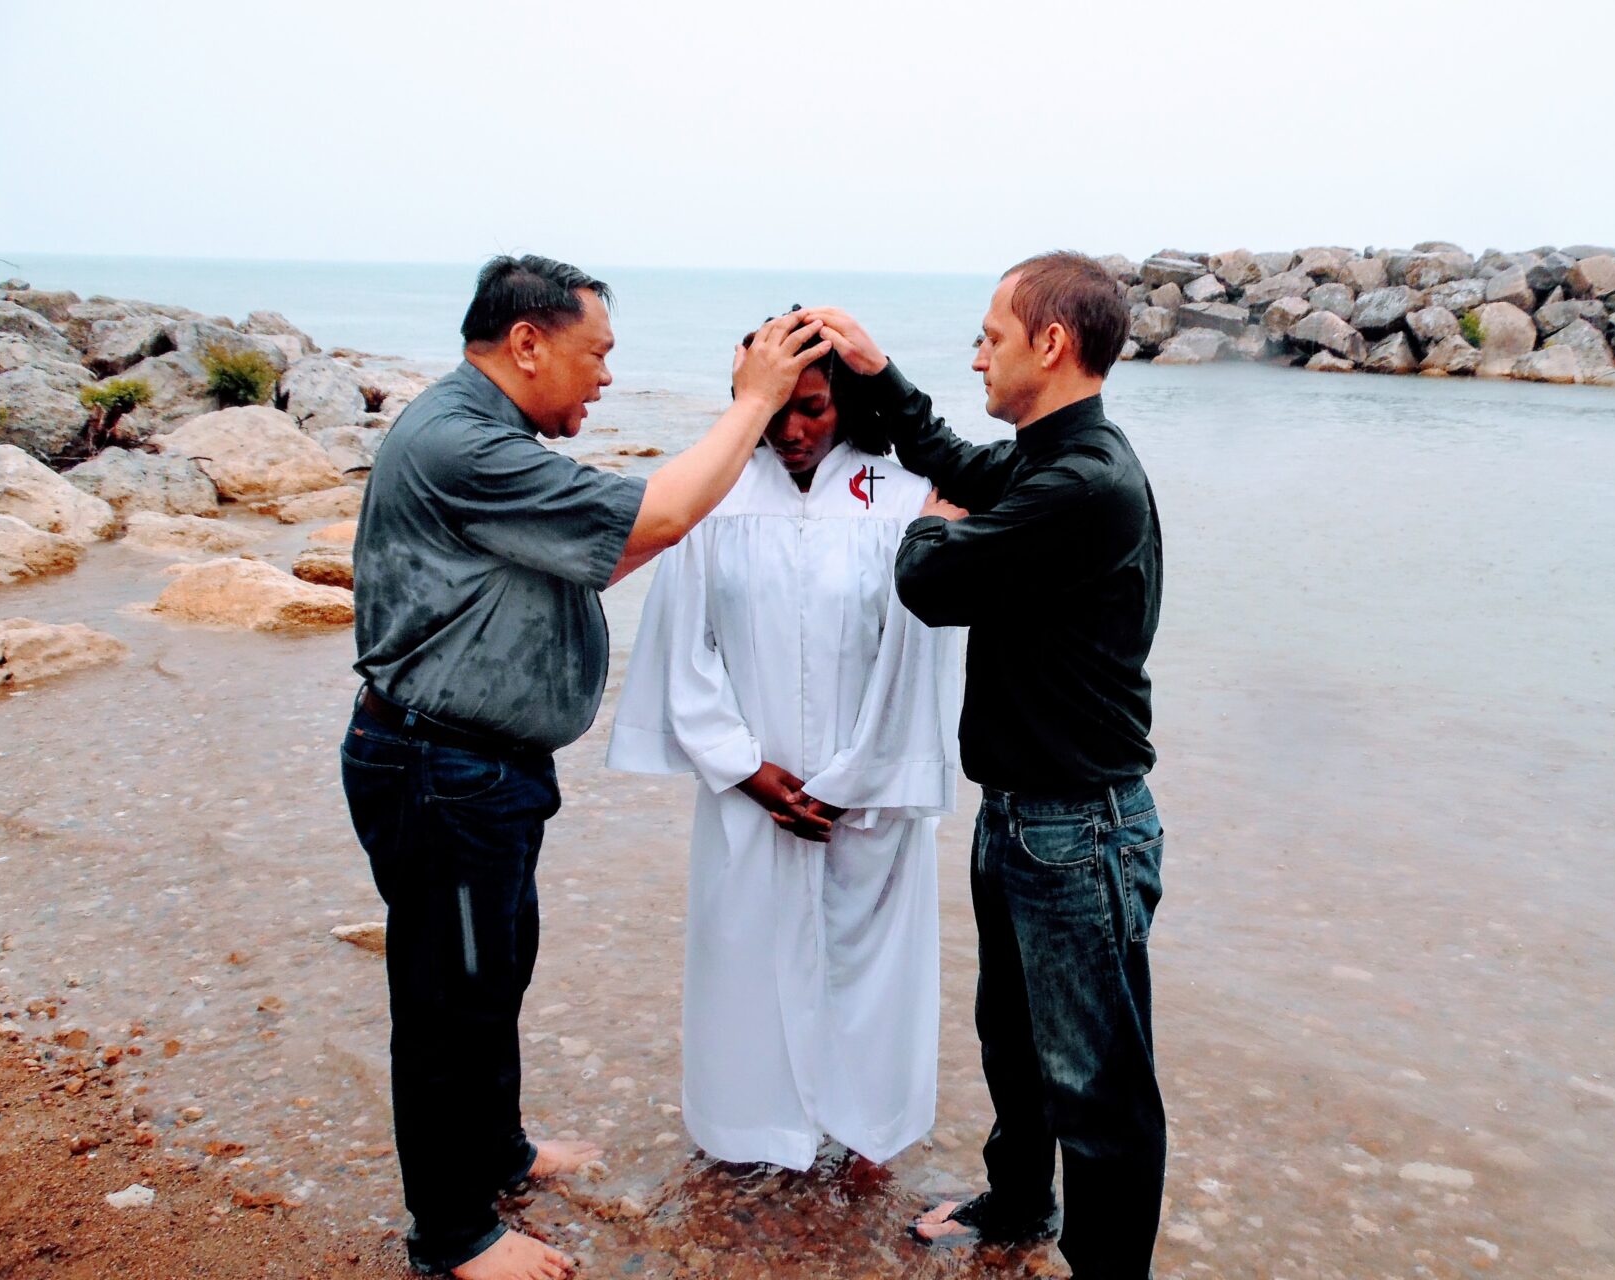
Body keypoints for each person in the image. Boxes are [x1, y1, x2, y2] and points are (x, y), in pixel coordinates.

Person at [341, 255, 827, 1280]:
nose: (606, 376)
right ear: (528, 342)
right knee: (444, 997)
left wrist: (684, 500)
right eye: (595, 352)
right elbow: (650, 516)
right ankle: (454, 1232)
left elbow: (610, 549)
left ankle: (497, 1153)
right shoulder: (462, 443)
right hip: (442, 765)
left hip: (479, 767)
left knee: (492, 972)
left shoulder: (486, 439)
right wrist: (752, 405)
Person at [802, 251, 1166, 1280]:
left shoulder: (1085, 483)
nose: (977, 358)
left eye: (990, 338)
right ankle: (1014, 1207)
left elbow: (928, 577)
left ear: (1050, 343)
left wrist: (928, 525)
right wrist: (879, 375)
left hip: (1078, 823)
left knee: (1099, 1088)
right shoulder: (1052, 459)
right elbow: (956, 463)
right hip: (1022, 813)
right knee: (1013, 1040)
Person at [606, 324, 960, 1173]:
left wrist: (860, 775)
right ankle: (749, 1131)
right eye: (771, 411)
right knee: (745, 963)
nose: (790, 432)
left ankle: (869, 1130)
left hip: (867, 797)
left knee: (871, 971)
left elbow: (918, 657)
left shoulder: (902, 497)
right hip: (752, 793)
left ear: (847, 405)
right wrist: (745, 768)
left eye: (812, 409)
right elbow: (686, 651)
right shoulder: (715, 500)